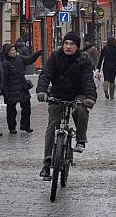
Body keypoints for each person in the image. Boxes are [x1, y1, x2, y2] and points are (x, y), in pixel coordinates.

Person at [36, 32, 96, 178]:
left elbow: (88, 81)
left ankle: (81, 140)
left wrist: (90, 98)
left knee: (80, 109)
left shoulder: (83, 61)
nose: (68, 47)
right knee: (52, 125)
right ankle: (47, 162)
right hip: (58, 93)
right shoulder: (55, 57)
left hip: (78, 93)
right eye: (66, 43)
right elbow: (46, 74)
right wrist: (42, 90)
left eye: (72, 44)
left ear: (77, 47)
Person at [1, 43, 42, 133]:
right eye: (12, 50)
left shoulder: (19, 58)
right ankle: (12, 128)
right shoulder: (5, 63)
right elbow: (4, 79)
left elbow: (29, 60)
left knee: (27, 108)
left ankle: (25, 125)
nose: (14, 52)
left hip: (22, 88)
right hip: (11, 90)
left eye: (14, 50)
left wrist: (36, 54)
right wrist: (5, 93)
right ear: (7, 52)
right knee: (11, 110)